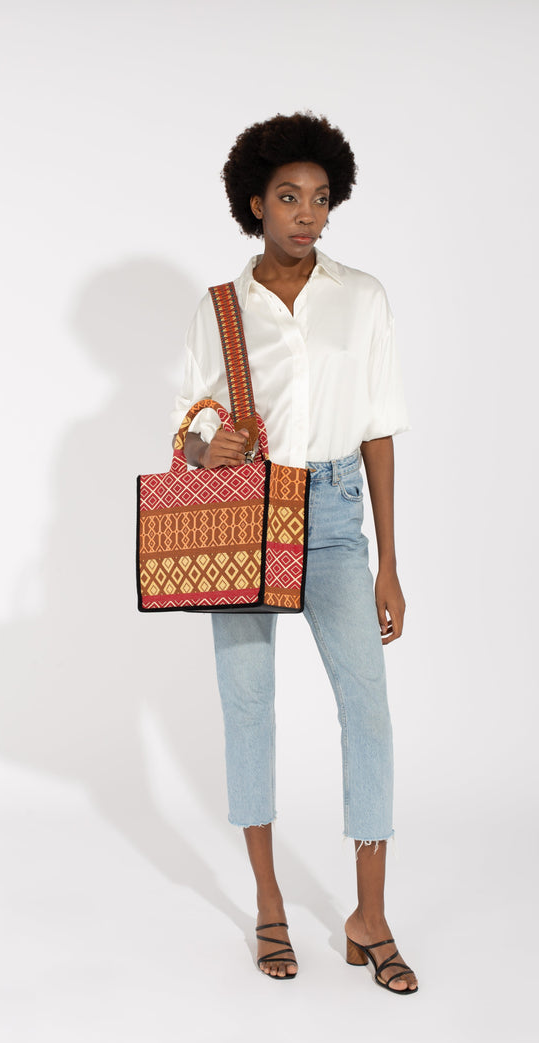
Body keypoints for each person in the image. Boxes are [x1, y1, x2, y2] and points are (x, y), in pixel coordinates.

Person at [169, 112, 418, 994]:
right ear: (255, 202)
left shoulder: (364, 296)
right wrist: (210, 451)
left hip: (340, 514)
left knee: (370, 711)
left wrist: (388, 561)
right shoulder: (220, 310)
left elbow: (381, 429)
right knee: (249, 709)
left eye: (320, 199)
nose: (307, 214)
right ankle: (270, 906)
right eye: (288, 197)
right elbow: (191, 425)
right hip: (246, 517)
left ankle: (369, 915)